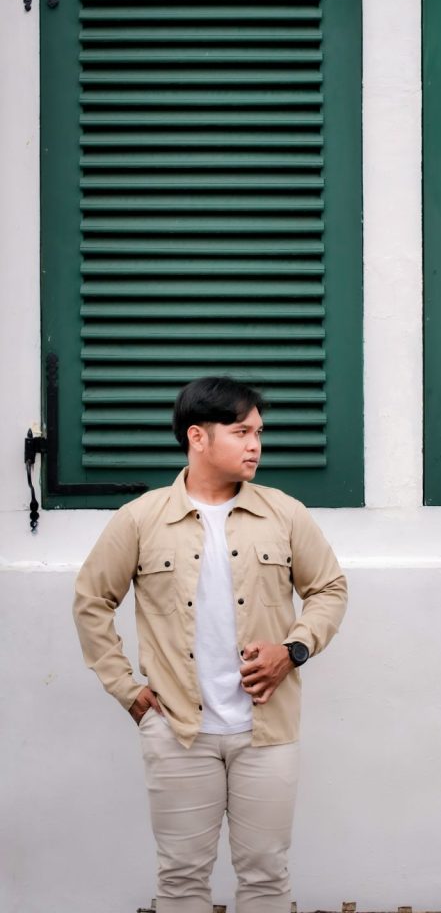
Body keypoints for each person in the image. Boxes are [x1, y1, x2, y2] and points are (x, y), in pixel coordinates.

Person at [73, 376, 348, 913]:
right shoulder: (141, 518)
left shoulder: (285, 513)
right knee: (180, 879)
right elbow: (91, 600)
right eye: (241, 432)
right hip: (177, 731)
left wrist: (293, 649)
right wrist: (127, 690)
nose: (255, 445)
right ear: (197, 437)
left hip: (266, 733)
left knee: (267, 876)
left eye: (259, 433)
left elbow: (329, 589)